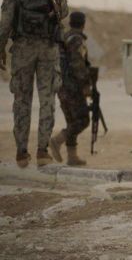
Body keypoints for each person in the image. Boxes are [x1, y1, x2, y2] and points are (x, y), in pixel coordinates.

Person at [0, 0, 68, 168]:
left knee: (22, 100)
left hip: (23, 49)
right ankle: (42, 151)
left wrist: (1, 46)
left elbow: (6, 19)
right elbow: (64, 11)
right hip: (48, 48)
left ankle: (21, 153)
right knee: (47, 100)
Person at [49, 11, 92, 165]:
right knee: (83, 120)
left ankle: (72, 156)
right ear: (83, 23)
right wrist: (86, 85)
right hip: (72, 87)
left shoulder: (65, 38)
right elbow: (77, 65)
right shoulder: (76, 40)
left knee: (72, 120)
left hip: (61, 85)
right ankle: (57, 140)